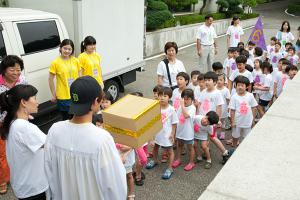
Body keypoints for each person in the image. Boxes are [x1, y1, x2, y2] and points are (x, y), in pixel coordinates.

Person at [45, 76, 127, 200]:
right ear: (95, 102)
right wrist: (118, 162)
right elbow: (115, 186)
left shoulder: (54, 130)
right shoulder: (102, 138)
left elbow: (48, 172)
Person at [0, 84, 48, 200]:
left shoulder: (13, 122)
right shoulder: (24, 127)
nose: (37, 102)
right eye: (34, 98)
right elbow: (50, 145)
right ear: (23, 102)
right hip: (34, 188)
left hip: (24, 186)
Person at [0, 55, 26, 194]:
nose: (16, 73)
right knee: (1, 153)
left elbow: (27, 97)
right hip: (2, 122)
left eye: (18, 69)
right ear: (4, 70)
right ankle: (3, 179)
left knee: (18, 148)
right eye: (12, 69)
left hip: (18, 120)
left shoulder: (22, 80)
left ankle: (17, 172)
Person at [195, 71, 231, 164]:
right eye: (205, 80)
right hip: (203, 119)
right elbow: (199, 104)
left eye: (209, 80)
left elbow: (219, 107)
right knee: (206, 136)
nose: (206, 82)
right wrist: (198, 115)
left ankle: (225, 152)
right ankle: (206, 151)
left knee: (213, 137)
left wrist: (217, 120)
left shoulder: (217, 93)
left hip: (211, 120)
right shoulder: (203, 91)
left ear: (215, 82)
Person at [146, 87, 178, 179]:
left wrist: (172, 134)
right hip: (157, 133)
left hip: (167, 134)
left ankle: (170, 168)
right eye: (160, 95)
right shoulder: (155, 107)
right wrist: (151, 136)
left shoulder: (171, 110)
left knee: (170, 151)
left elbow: (174, 123)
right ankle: (155, 160)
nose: (162, 98)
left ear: (169, 97)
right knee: (155, 147)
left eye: (165, 96)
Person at [49, 39, 81, 120]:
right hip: (63, 96)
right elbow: (50, 79)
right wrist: (53, 94)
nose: (67, 51)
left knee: (76, 117)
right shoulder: (55, 62)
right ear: (60, 48)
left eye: (69, 49)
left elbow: (80, 76)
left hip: (75, 94)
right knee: (66, 118)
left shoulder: (76, 60)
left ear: (72, 50)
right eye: (65, 48)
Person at [229, 76, 258, 147]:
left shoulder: (250, 96)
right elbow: (232, 110)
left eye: (242, 85)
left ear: (247, 86)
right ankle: (234, 147)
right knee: (235, 137)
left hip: (247, 121)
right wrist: (232, 122)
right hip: (237, 122)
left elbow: (254, 108)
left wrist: (253, 120)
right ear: (235, 86)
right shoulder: (234, 97)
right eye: (238, 85)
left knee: (247, 137)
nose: (240, 87)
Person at [172, 89, 196, 171]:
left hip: (188, 132)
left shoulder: (192, 108)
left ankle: (191, 162)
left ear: (192, 100)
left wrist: (182, 105)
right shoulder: (180, 106)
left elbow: (186, 116)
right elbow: (176, 116)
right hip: (180, 131)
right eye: (184, 99)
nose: (185, 101)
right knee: (179, 145)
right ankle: (178, 159)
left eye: (187, 99)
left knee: (190, 147)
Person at [216, 74, 230, 140]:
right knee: (214, 123)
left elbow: (228, 100)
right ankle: (214, 135)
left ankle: (222, 135)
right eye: (218, 80)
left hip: (223, 110)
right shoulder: (214, 88)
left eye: (221, 80)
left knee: (222, 123)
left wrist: (229, 108)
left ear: (224, 81)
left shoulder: (226, 90)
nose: (219, 81)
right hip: (215, 109)